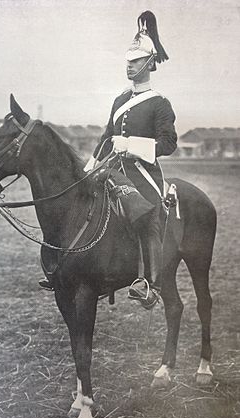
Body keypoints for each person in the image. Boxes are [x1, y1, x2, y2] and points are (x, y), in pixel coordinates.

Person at [40, 11, 177, 309]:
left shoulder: (160, 103)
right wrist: (87, 169)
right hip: (112, 170)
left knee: (146, 214)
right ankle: (65, 268)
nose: (130, 65)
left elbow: (169, 143)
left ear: (150, 63)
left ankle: (149, 283)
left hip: (144, 174)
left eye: (136, 61)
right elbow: (106, 137)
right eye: (128, 60)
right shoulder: (119, 100)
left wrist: (131, 144)